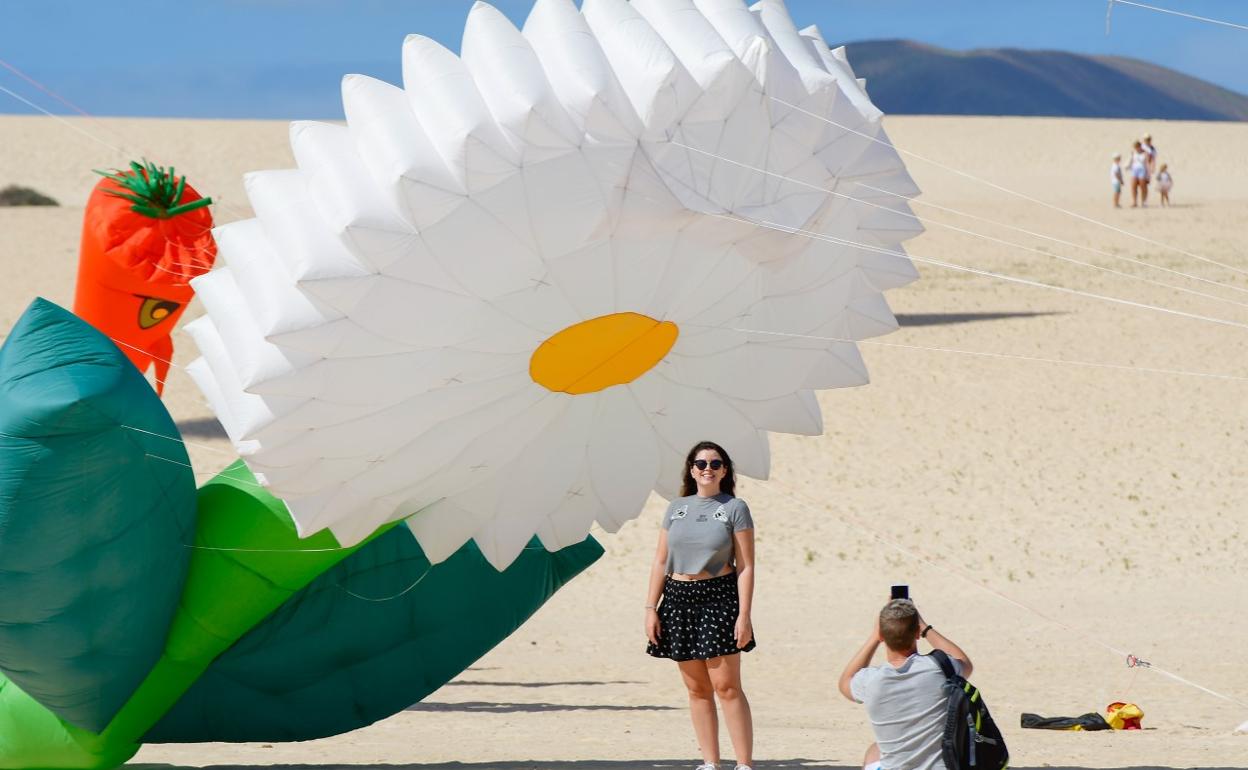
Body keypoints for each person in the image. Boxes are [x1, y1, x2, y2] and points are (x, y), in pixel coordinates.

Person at [646, 441, 757, 770]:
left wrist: (745, 615)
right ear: (691, 470)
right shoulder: (676, 507)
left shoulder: (735, 507)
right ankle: (710, 762)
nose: (707, 468)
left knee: (726, 686)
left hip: (718, 597)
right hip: (678, 599)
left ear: (725, 470)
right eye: (700, 463)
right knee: (696, 688)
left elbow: (746, 565)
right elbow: (660, 560)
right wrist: (650, 607)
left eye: (715, 462)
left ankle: (744, 764)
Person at [838, 598, 974, 770]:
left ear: (882, 635)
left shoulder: (871, 681)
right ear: (917, 633)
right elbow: (964, 663)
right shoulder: (937, 668)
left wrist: (874, 637)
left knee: (874, 751)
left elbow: (845, 682)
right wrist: (925, 627)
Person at [1129, 141, 1149, 208]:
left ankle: (1144, 202)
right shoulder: (1133, 153)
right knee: (1133, 186)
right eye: (1135, 147)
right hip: (1134, 170)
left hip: (1142, 170)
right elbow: (1131, 161)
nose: (1136, 148)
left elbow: (1147, 164)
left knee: (1143, 187)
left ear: (1140, 146)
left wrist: (1148, 175)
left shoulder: (1145, 153)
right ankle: (1134, 202)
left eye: (1137, 147)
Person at [1140, 133, 1158, 205]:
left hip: (1147, 168)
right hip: (1140, 167)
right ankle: (1137, 201)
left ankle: (1144, 201)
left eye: (1149, 139)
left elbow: (1153, 159)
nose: (1148, 140)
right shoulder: (1141, 146)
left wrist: (1152, 168)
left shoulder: (1152, 148)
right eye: (1146, 139)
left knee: (1144, 185)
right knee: (1139, 184)